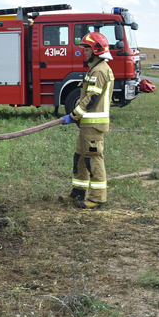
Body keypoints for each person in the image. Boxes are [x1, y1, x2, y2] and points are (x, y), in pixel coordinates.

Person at [58, 32, 115, 209]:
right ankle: (78, 192)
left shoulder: (99, 71)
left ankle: (98, 198)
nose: (84, 52)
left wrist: (73, 115)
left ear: (96, 50)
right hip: (87, 125)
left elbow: (91, 99)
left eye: (87, 49)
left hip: (93, 125)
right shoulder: (96, 68)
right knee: (80, 158)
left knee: (93, 159)